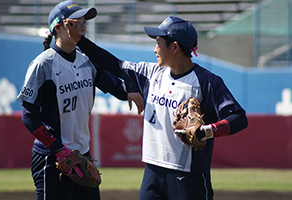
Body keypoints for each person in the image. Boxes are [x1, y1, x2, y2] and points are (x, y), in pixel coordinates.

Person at [65, 16, 248, 200]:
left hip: (188, 175)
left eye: (158, 43)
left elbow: (238, 117)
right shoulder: (151, 74)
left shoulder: (206, 82)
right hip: (152, 172)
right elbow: (115, 64)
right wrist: (79, 40)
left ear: (175, 47)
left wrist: (206, 132)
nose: (154, 49)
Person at [17, 1, 139, 199]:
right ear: (58, 27)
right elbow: (29, 116)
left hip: (82, 156)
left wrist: (134, 91)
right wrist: (59, 149)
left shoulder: (88, 60)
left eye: (85, 21)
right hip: (53, 158)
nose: (83, 26)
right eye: (76, 22)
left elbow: (116, 87)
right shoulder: (43, 64)